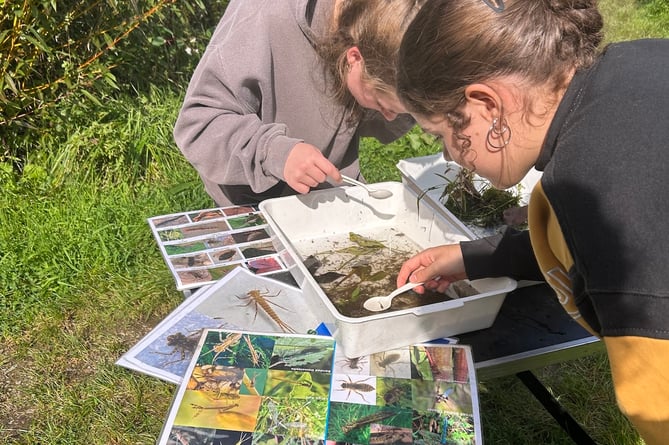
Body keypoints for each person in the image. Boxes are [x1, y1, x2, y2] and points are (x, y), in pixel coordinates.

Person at [394, 0, 669, 443]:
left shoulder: (595, 188)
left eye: (442, 135)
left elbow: (658, 405)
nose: (448, 155)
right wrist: (477, 257)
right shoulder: (639, 60)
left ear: (486, 105)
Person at [173, 0, 422, 207]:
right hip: (250, 205)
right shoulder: (265, 16)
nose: (390, 118)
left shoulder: (386, 27)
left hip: (328, 198)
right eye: (383, 104)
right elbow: (199, 123)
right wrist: (276, 153)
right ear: (355, 58)